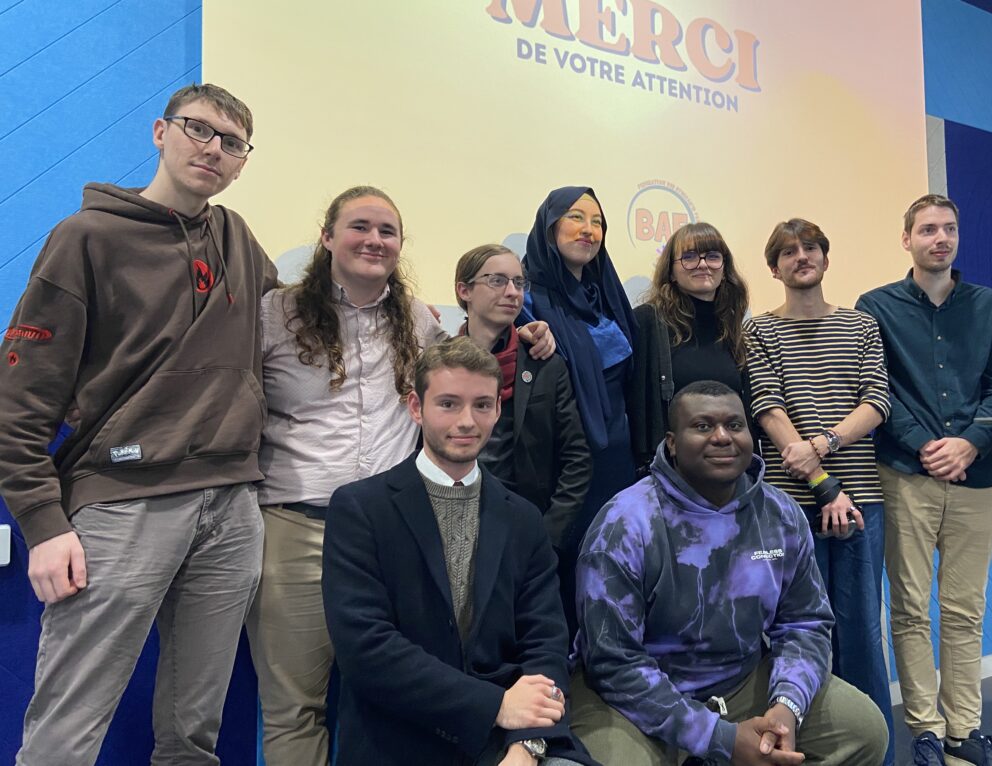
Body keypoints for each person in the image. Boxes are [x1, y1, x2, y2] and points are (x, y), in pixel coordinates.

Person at [0, 83, 276, 765]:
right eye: (199, 129)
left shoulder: (238, 238)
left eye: (232, 142)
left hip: (232, 506)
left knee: (194, 736)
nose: (213, 149)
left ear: (243, 161)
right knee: (67, 730)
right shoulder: (85, 238)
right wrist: (43, 524)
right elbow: (18, 401)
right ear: (160, 131)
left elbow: (304, 329)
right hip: (120, 503)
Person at [247, 191, 556, 765]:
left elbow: (465, 373)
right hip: (296, 525)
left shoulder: (415, 318)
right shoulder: (274, 314)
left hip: (391, 530)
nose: (374, 240)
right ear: (326, 237)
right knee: (295, 707)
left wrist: (530, 333)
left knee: (401, 689)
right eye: (359, 227)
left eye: (387, 231)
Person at [572, 381, 889, 765]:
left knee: (864, 731)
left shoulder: (780, 514)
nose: (722, 437)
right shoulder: (624, 524)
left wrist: (786, 706)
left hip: (739, 678)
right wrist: (718, 737)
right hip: (635, 696)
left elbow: (804, 623)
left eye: (735, 425)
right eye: (703, 426)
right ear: (672, 442)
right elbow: (614, 662)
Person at [321, 337, 597, 766]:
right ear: (416, 407)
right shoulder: (360, 509)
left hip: (506, 740)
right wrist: (494, 705)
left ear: (498, 410)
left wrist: (527, 745)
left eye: (482, 405)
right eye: (448, 404)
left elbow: (544, 644)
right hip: (398, 738)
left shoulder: (523, 519)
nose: (467, 421)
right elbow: (367, 651)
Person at [856, 194, 992, 766]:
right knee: (907, 607)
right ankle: (925, 728)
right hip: (905, 474)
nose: (940, 238)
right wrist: (927, 444)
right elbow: (877, 388)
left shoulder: (989, 304)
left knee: (964, 608)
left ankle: (963, 730)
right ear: (907, 239)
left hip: (979, 476)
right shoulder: (874, 306)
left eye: (949, 228)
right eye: (927, 230)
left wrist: (970, 442)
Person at [744, 218, 896, 764]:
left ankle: (875, 751)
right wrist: (817, 480)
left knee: (860, 634)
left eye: (810, 248)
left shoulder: (861, 327)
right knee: (794, 636)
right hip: (788, 506)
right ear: (775, 268)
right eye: (788, 252)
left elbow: (877, 402)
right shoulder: (759, 331)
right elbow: (766, 406)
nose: (801, 257)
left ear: (826, 260)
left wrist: (823, 447)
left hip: (860, 500)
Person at [522, 185, 638, 630]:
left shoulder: (606, 296)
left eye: (598, 222)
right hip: (563, 467)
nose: (589, 230)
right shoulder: (527, 299)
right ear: (549, 226)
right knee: (563, 577)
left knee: (613, 570)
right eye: (575, 217)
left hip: (616, 462)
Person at [455, 244, 591, 552]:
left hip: (525, 526)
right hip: (453, 522)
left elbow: (576, 459)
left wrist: (547, 535)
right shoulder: (441, 364)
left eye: (519, 282)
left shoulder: (545, 363)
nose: (513, 292)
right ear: (464, 290)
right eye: (497, 280)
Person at [630, 222, 752, 474]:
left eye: (713, 256)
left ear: (724, 268)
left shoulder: (734, 330)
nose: (703, 264)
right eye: (689, 257)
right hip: (669, 475)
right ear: (671, 271)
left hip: (728, 475)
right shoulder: (646, 322)